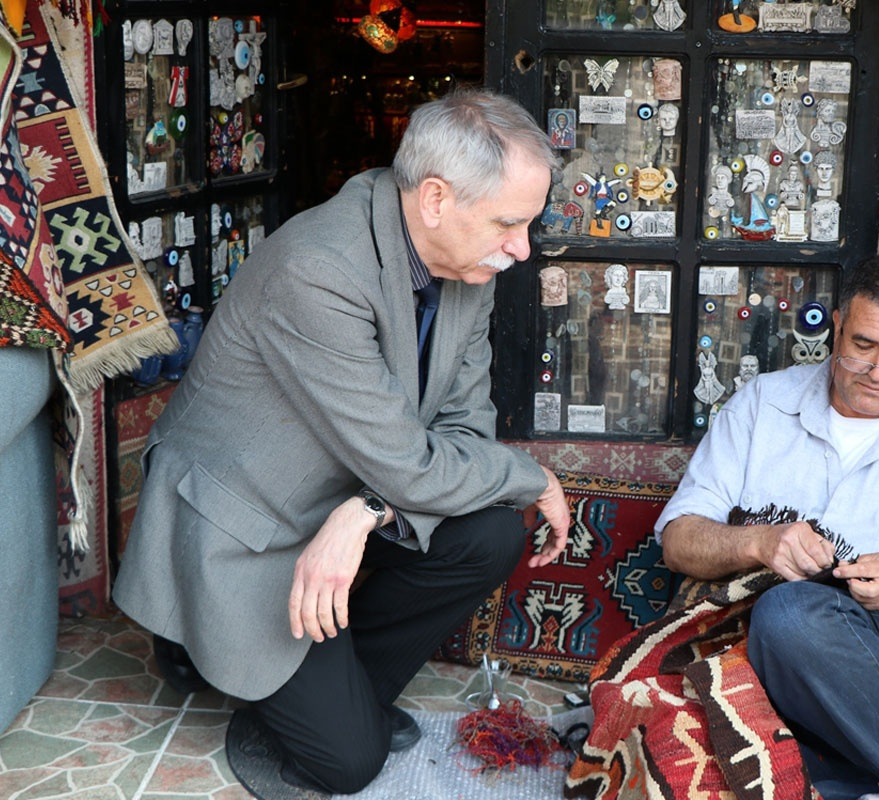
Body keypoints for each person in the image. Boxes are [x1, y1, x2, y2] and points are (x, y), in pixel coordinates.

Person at [113, 90, 573, 795]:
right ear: (435, 200)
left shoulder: (467, 268)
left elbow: (462, 433)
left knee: (487, 536)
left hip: (338, 490)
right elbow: (419, 468)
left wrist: (365, 511)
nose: (522, 248)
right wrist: (532, 477)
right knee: (348, 763)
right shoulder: (319, 267)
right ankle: (211, 648)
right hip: (244, 524)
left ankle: (334, 690)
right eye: (510, 223)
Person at [654, 252, 879, 800]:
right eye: (864, 346)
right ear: (837, 325)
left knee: (792, 612)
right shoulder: (762, 406)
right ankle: (872, 783)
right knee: (692, 752)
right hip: (747, 658)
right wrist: (760, 541)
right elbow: (678, 541)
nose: (878, 372)